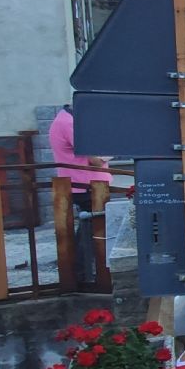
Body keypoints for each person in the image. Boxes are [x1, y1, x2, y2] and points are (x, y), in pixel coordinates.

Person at [48, 103, 111, 287]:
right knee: (91, 231)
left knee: (87, 230)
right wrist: (112, 150)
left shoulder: (64, 120)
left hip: (84, 183)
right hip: (88, 184)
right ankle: (84, 274)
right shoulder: (70, 123)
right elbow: (95, 160)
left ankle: (82, 273)